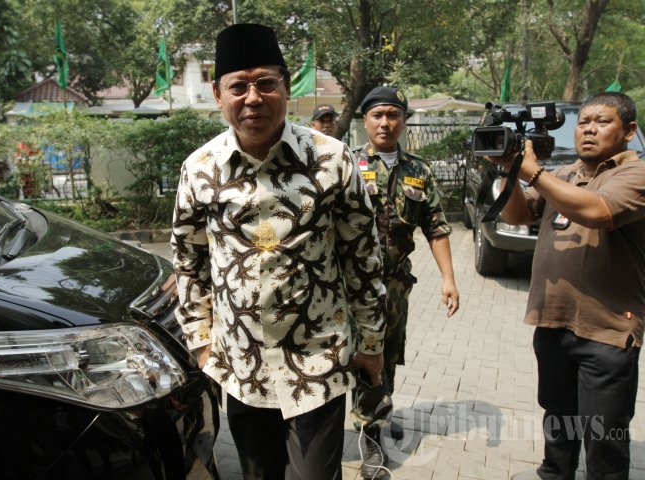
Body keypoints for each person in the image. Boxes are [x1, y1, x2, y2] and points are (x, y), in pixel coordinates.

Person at [170, 23, 387, 480]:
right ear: (218, 94)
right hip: (241, 363)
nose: (253, 98)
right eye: (239, 86)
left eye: (266, 83)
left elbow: (362, 255)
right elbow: (189, 261)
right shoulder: (200, 169)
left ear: (286, 87)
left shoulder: (331, 159)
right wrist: (202, 342)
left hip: (318, 359)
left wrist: (371, 343)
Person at [484, 92, 644, 480]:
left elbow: (596, 211)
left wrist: (535, 173)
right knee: (558, 419)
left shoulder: (635, 174)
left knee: (604, 436)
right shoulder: (566, 174)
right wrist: (509, 171)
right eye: (584, 122)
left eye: (602, 122)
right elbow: (519, 215)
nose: (589, 129)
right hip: (553, 322)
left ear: (629, 131)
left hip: (606, 330)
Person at [351, 86, 460, 478]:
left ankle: (378, 417)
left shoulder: (419, 170)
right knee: (358, 352)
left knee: (389, 351)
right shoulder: (347, 164)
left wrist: (449, 278)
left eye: (393, 115)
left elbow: (436, 226)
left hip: (395, 284)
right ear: (365, 120)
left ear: (404, 120)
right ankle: (368, 431)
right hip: (352, 286)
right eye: (378, 115)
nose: (385, 123)